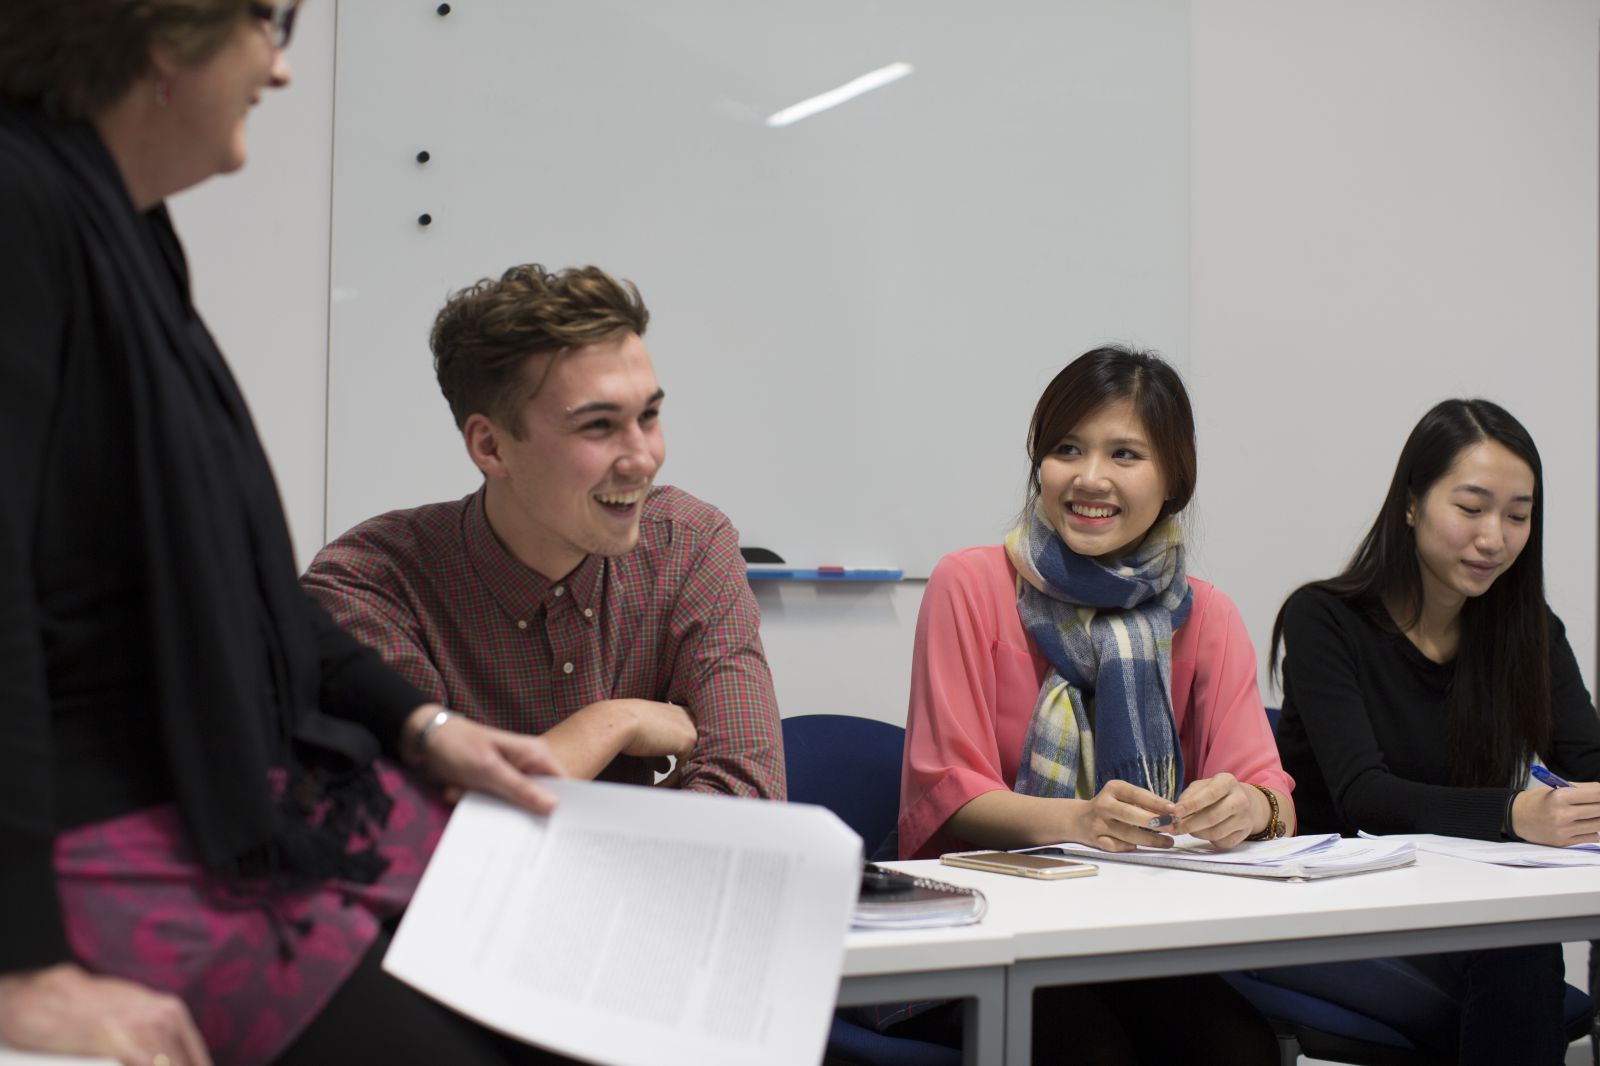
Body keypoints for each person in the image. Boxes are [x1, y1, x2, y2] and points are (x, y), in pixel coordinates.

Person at [0, 3, 575, 1064]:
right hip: (105, 837)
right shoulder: (25, 204)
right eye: (268, 23)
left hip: (224, 798)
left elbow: (245, 597)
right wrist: (20, 967)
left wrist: (426, 729)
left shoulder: (124, 230)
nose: (281, 68)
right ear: (165, 35)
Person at [893, 345, 1291, 1064]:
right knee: (1089, 1052)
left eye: (1126, 454)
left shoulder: (1209, 617)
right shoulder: (970, 585)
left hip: (1144, 933)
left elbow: (1271, 792)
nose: (1089, 477)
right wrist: (1082, 822)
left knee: (1240, 1049)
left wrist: (1252, 808)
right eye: (1066, 449)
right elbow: (946, 791)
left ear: (1174, 480)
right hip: (985, 934)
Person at [301, 264, 785, 799]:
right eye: (597, 426)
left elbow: (749, 797)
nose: (643, 458)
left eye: (648, 415)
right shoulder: (370, 583)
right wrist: (610, 723)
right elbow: (413, 824)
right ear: (491, 447)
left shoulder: (689, 545)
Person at [1252, 398, 1600, 1064]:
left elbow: (1587, 761)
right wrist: (1514, 813)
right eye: (1470, 509)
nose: (1494, 538)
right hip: (1343, 917)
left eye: (1518, 516)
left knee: (1515, 938)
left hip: (1466, 919)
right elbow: (1366, 797)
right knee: (1519, 941)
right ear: (1411, 503)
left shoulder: (1528, 631)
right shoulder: (1324, 620)